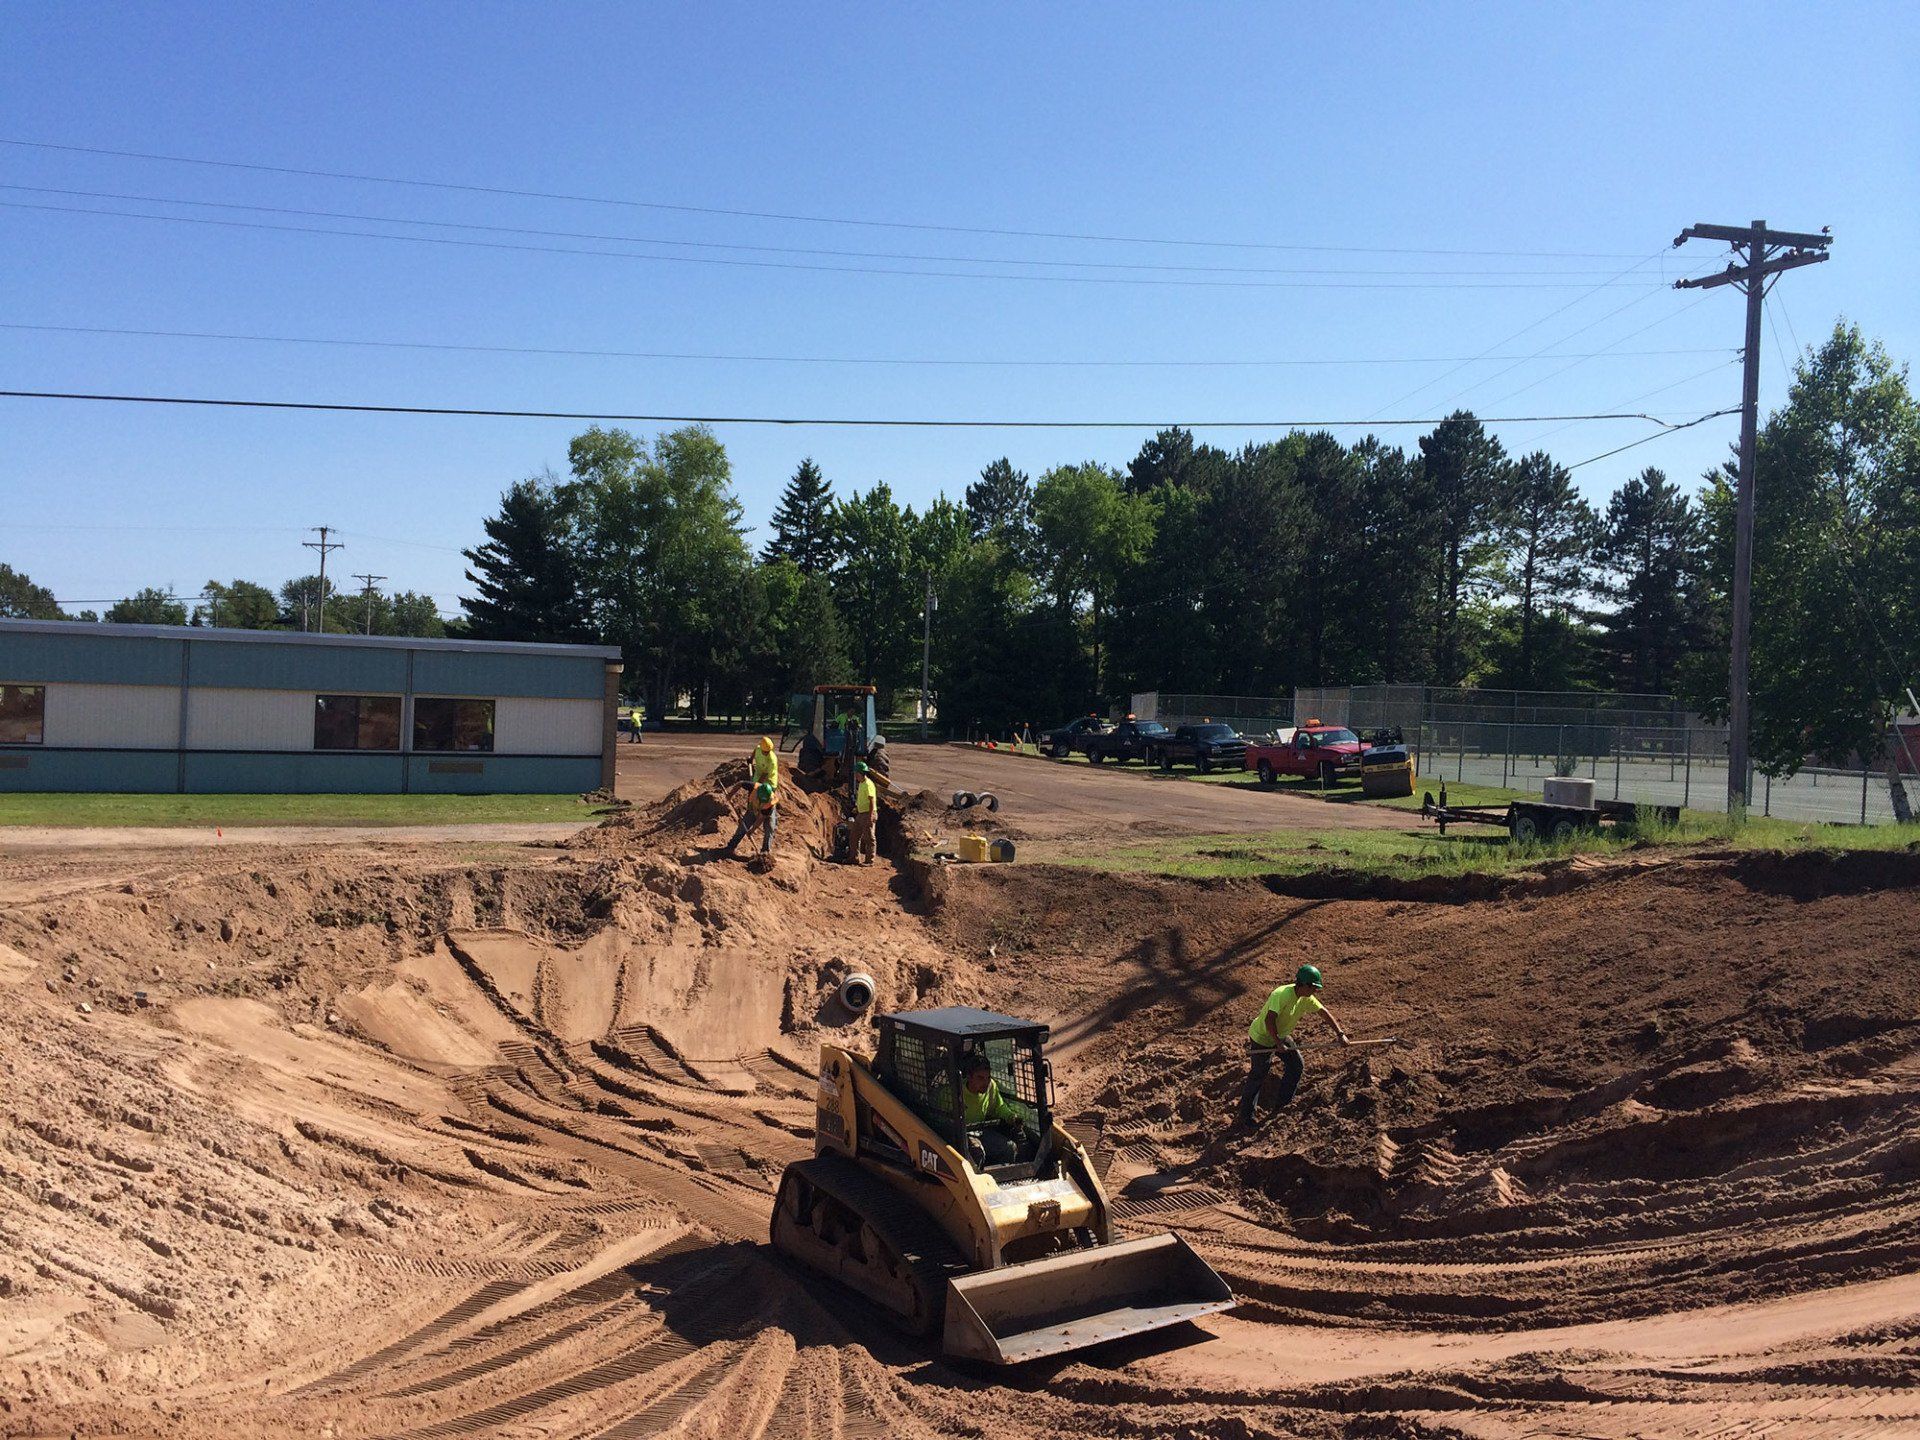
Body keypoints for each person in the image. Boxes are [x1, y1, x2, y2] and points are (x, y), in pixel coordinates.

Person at [1234, 964, 1351, 1129]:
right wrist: (1278, 1043)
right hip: (1262, 1037)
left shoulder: (1306, 997)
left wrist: (1340, 1034)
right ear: (1303, 984)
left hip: (1280, 1035)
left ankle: (1282, 1105)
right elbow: (1269, 1020)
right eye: (1314, 987)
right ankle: (1246, 1118)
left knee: (1296, 1065)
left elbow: (1323, 1012)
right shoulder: (1281, 994)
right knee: (1258, 1075)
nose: (1315, 991)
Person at [959, 1053, 1023, 1165]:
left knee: (1010, 1148)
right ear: (969, 1077)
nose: (986, 1082)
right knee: (976, 1152)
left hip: (982, 1131)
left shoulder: (991, 1086)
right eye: (980, 1078)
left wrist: (1011, 1117)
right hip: (962, 1134)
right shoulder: (956, 1092)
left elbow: (999, 1107)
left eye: (988, 1077)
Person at [723, 780, 778, 857]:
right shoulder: (753, 786)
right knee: (743, 826)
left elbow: (760, 818)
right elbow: (740, 783)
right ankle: (730, 847)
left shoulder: (770, 803)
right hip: (753, 808)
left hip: (766, 812)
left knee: (769, 829)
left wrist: (752, 830)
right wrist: (730, 794)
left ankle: (765, 853)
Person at [848, 760, 878, 865]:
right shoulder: (861, 783)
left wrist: (870, 816)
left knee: (869, 838)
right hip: (861, 814)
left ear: (861, 773)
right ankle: (854, 858)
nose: (855, 776)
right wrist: (857, 808)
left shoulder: (868, 784)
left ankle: (870, 860)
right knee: (854, 836)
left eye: (856, 773)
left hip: (868, 813)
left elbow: (871, 801)